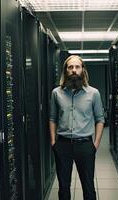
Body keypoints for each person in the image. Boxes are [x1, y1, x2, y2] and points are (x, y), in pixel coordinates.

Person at [49, 55, 105, 200]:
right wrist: (53, 142)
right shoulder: (56, 93)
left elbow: (100, 119)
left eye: (77, 67)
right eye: (70, 67)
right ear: (65, 71)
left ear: (83, 70)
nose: (74, 70)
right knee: (63, 188)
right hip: (63, 145)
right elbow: (52, 118)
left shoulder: (93, 93)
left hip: (85, 145)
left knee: (88, 187)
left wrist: (95, 144)